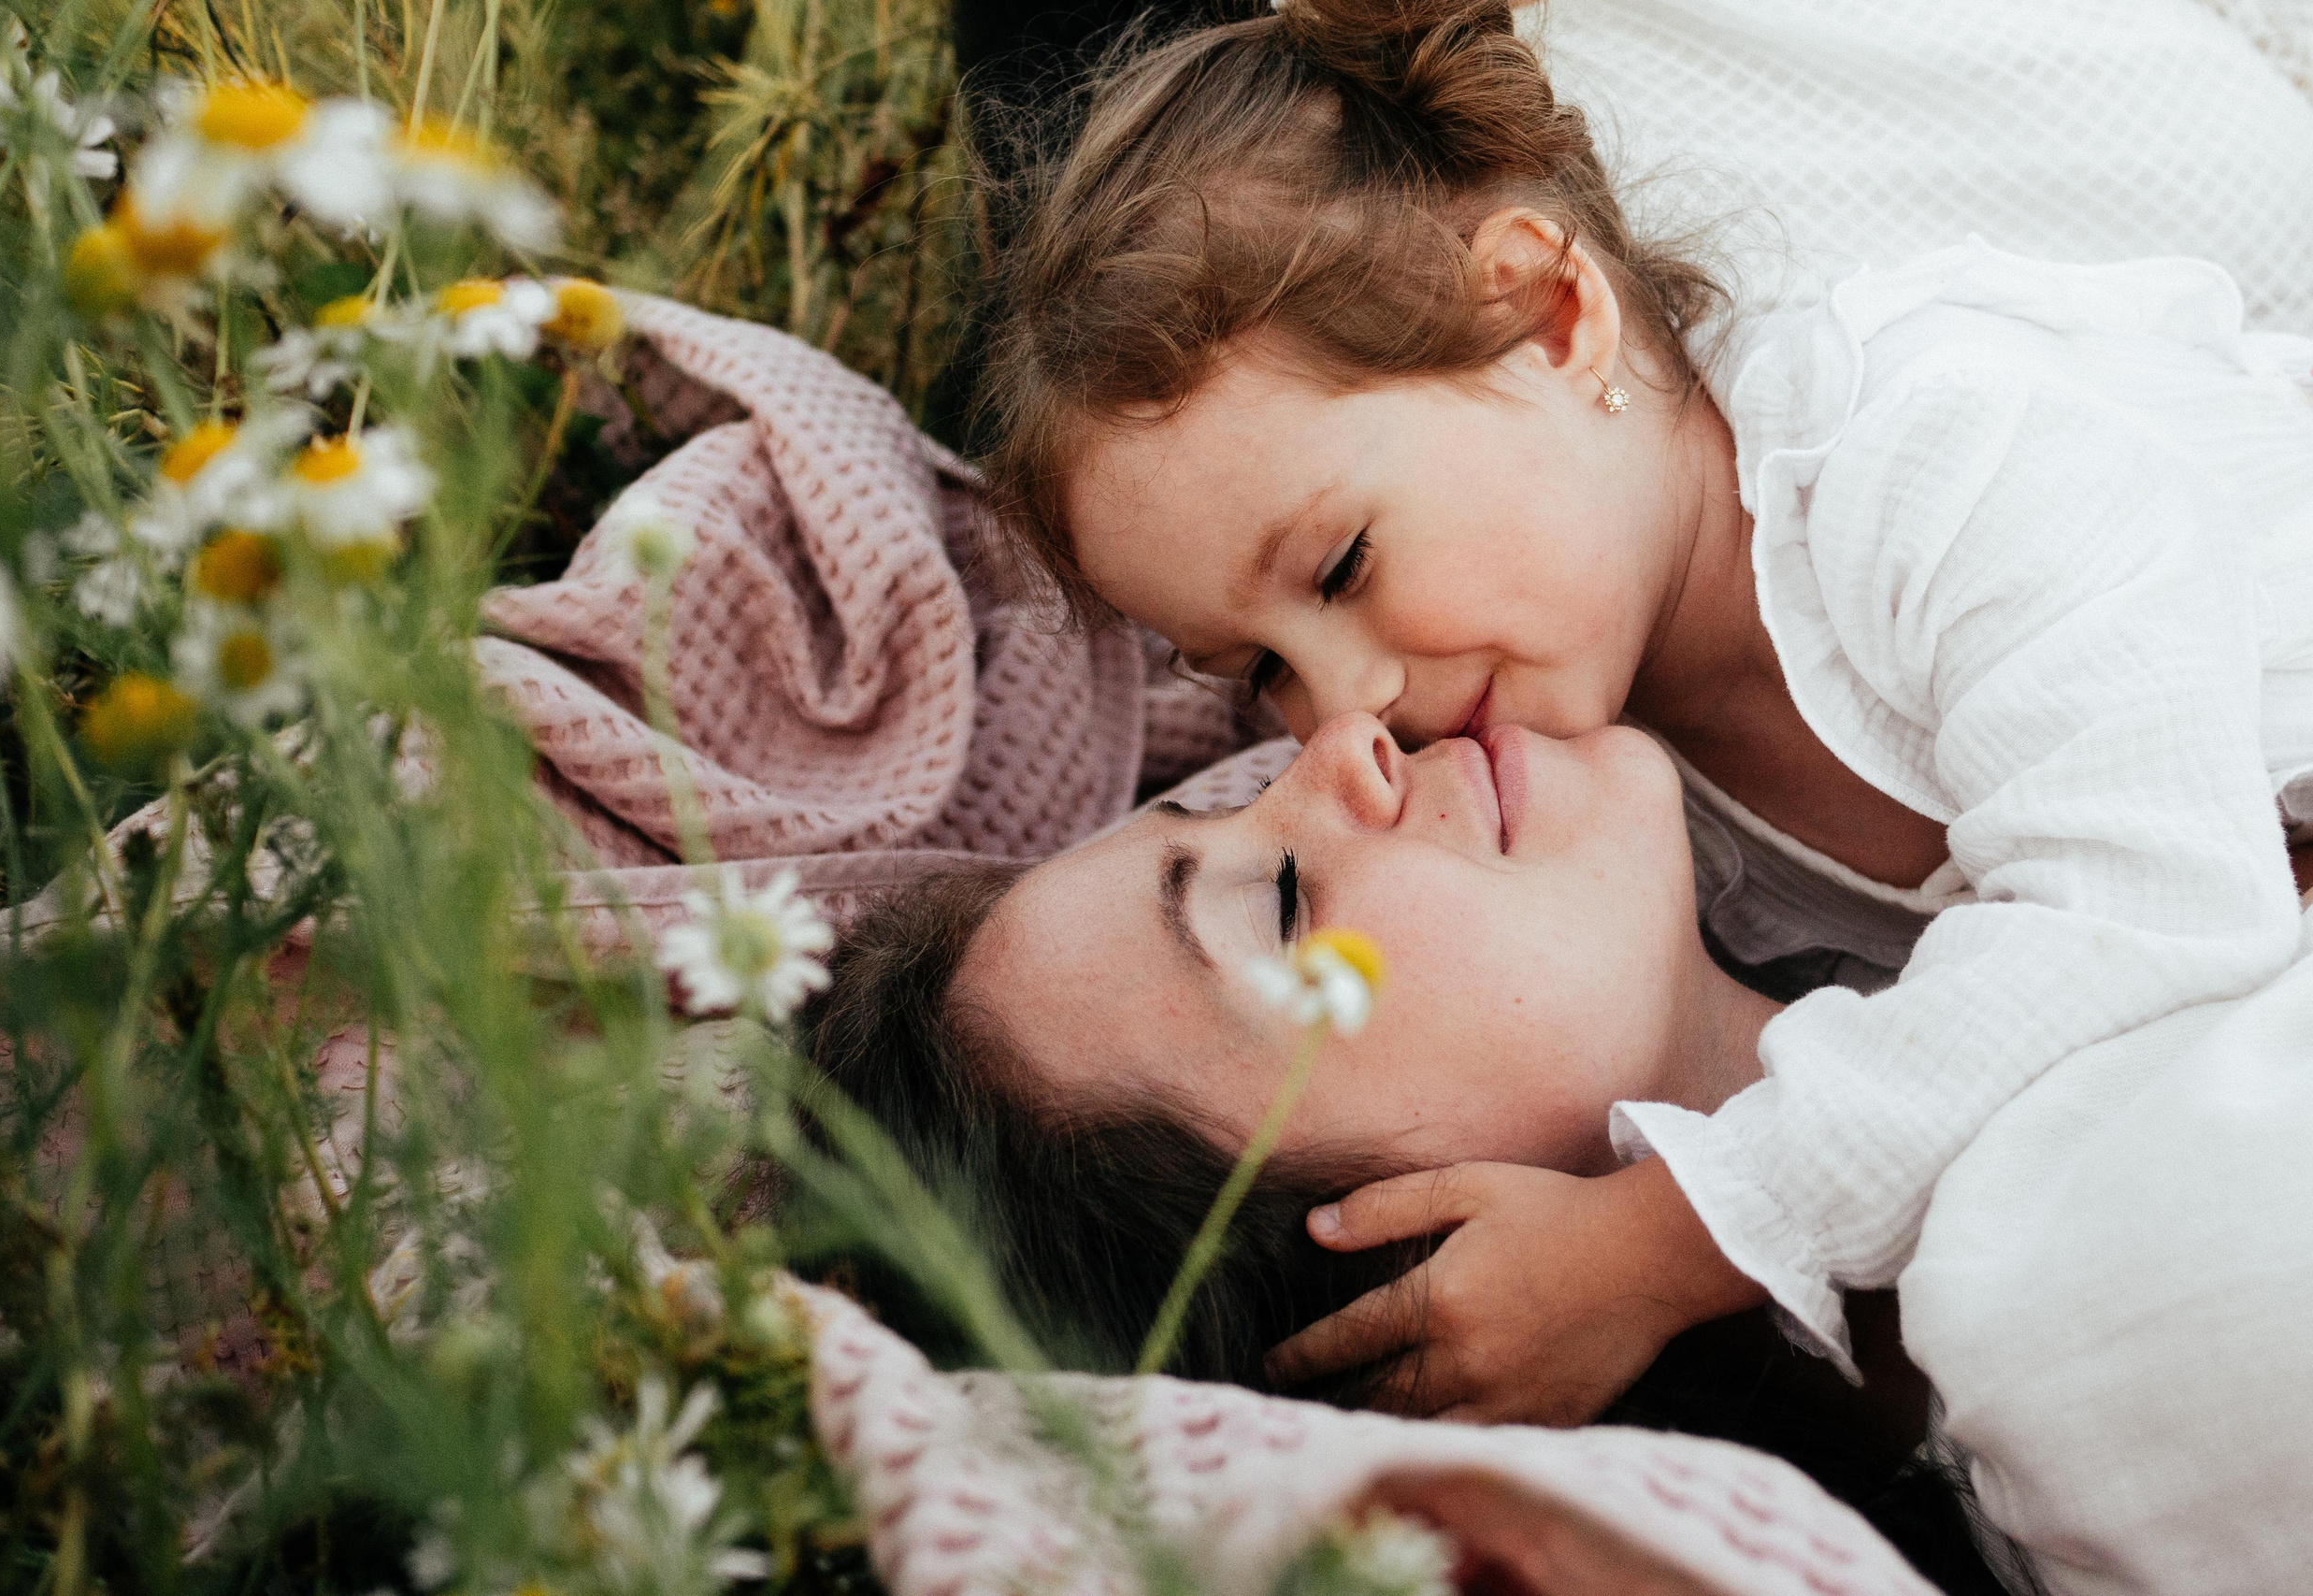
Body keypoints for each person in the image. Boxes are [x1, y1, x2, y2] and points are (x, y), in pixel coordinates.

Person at [965, 0, 2313, 1420]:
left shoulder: (1928, 456)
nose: (1348, 705)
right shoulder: (1629, 818)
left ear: (1551, 320)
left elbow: (2144, 907)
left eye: (1345, 567)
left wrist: (1670, 1238)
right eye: (1263, 671)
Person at [800, 712, 2313, 1595]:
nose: (1342, 741)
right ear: (1428, 1277)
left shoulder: (1966, 836)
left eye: (1224, 786)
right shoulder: (2132, 1307)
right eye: (1277, 908)